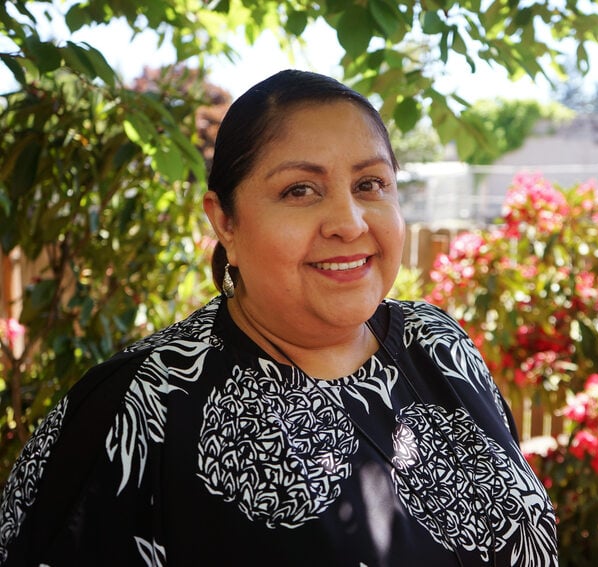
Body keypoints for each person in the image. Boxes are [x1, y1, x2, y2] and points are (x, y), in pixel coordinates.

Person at [0, 69, 557, 566]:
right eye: (299, 190)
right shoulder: (137, 405)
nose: (349, 220)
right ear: (226, 224)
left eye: (370, 184)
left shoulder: (439, 343)